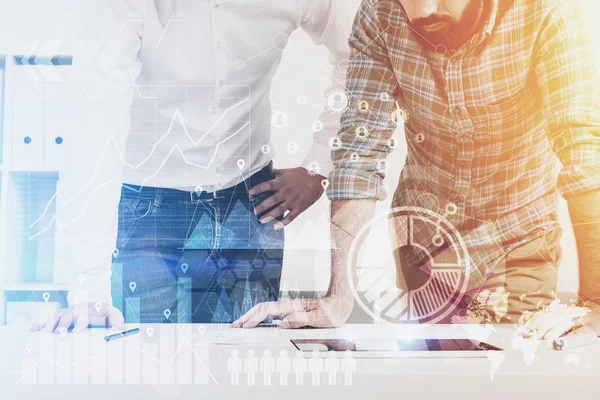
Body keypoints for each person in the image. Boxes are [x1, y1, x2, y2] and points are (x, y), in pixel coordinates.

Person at [234, 0, 600, 339]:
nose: (423, 10)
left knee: (505, 376)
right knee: (434, 377)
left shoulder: (548, 11)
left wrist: (594, 304)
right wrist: (339, 300)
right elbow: (360, 155)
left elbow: (585, 156)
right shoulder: (381, 14)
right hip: (424, 246)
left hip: (516, 243)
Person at [30, 0, 355, 332]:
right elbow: (93, 126)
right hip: (146, 211)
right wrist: (89, 283)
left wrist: (320, 164)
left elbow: (360, 51)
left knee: (247, 369)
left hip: (248, 206)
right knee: (145, 368)